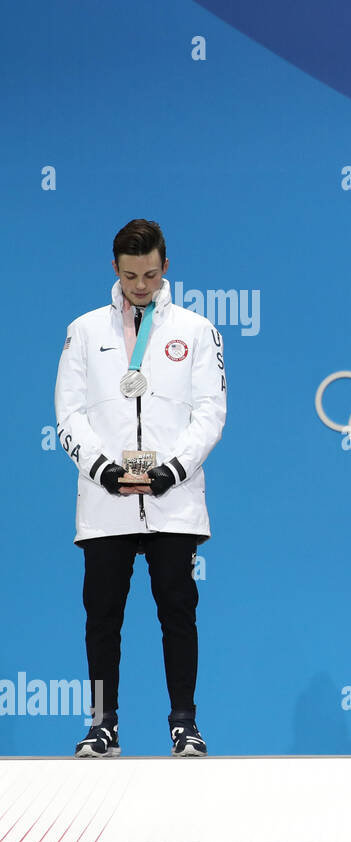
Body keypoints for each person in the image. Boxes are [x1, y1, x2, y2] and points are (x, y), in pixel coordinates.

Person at [55, 219, 227, 757]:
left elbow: (210, 413)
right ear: (115, 269)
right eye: (131, 275)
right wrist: (102, 469)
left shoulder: (198, 331)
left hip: (172, 501)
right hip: (105, 502)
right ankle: (103, 724)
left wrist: (170, 471)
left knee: (178, 611)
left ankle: (184, 722)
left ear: (166, 267)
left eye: (151, 274)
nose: (141, 286)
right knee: (102, 616)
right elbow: (69, 413)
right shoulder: (84, 331)